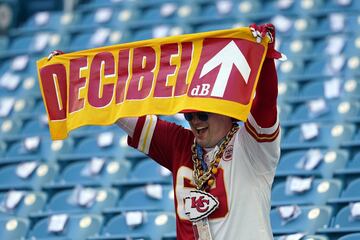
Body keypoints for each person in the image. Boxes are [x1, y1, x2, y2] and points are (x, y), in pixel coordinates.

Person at [116, 23, 281, 240]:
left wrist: (266, 57)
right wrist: (76, 85)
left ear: (224, 109)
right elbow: (118, 110)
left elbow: (265, 104)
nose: (195, 122)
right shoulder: (180, 144)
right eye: (189, 116)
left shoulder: (251, 146)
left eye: (202, 114)